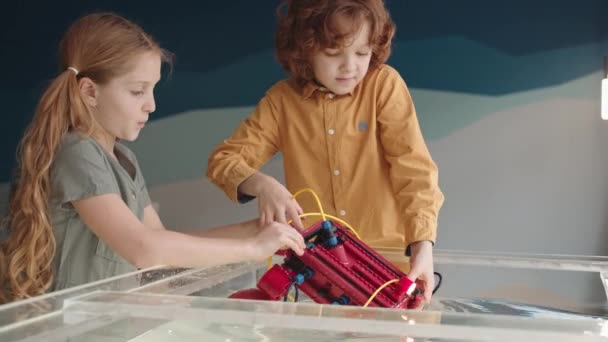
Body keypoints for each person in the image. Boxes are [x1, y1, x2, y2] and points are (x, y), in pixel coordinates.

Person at [0, 12, 305, 304]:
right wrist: (251, 249)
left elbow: (159, 239)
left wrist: (254, 230)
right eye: (137, 91)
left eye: (153, 90)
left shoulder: (124, 158)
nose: (151, 105)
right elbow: (144, 249)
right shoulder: (78, 152)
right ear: (90, 92)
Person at [206, 0, 444, 303]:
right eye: (333, 53)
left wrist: (423, 248)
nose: (350, 66)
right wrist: (262, 184)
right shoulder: (282, 101)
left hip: (389, 269)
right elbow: (223, 160)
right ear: (304, 51)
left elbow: (415, 172)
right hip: (317, 272)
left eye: (361, 52)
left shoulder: (384, 85)